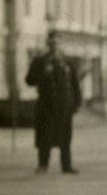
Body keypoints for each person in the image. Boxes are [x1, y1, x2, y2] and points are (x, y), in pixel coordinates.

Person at [25, 29, 81, 174]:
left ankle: (66, 166)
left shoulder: (67, 62)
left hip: (64, 106)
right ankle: (43, 164)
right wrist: (44, 73)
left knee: (65, 137)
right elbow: (29, 80)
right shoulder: (40, 61)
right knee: (45, 136)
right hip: (46, 105)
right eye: (52, 43)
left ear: (60, 44)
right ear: (48, 44)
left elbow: (75, 84)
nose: (54, 46)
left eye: (57, 42)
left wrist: (77, 103)